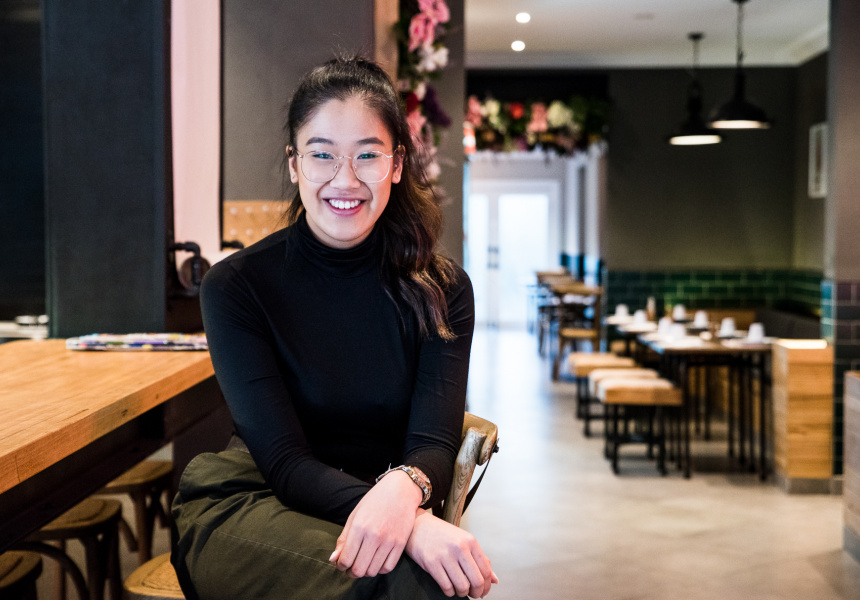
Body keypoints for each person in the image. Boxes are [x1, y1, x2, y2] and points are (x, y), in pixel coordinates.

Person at [171, 55, 497, 600]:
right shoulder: (237, 286)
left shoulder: (442, 289)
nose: (345, 180)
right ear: (294, 164)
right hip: (256, 502)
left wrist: (403, 492)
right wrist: (413, 523)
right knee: (410, 586)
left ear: (396, 165)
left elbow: (433, 443)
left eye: (368, 155)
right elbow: (284, 462)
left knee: (421, 583)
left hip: (387, 501)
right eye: (322, 154)